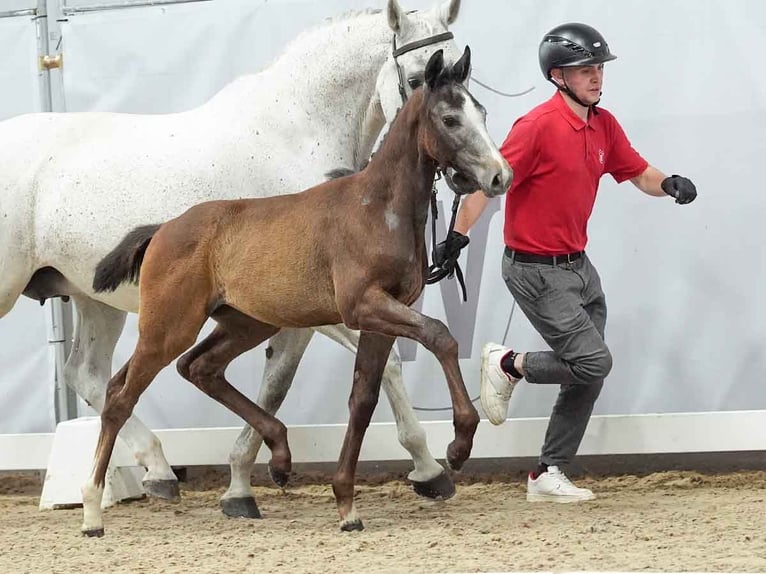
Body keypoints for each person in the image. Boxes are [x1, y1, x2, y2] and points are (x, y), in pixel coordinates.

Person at [434, 23, 697, 502]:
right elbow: (486, 188)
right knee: (594, 360)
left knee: (587, 371)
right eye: (585, 70)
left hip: (579, 267)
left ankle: (547, 473)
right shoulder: (536, 128)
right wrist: (457, 237)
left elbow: (637, 172)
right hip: (533, 268)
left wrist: (669, 183)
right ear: (558, 76)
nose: (596, 76)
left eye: (598, 67)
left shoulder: (604, 125)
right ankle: (509, 364)